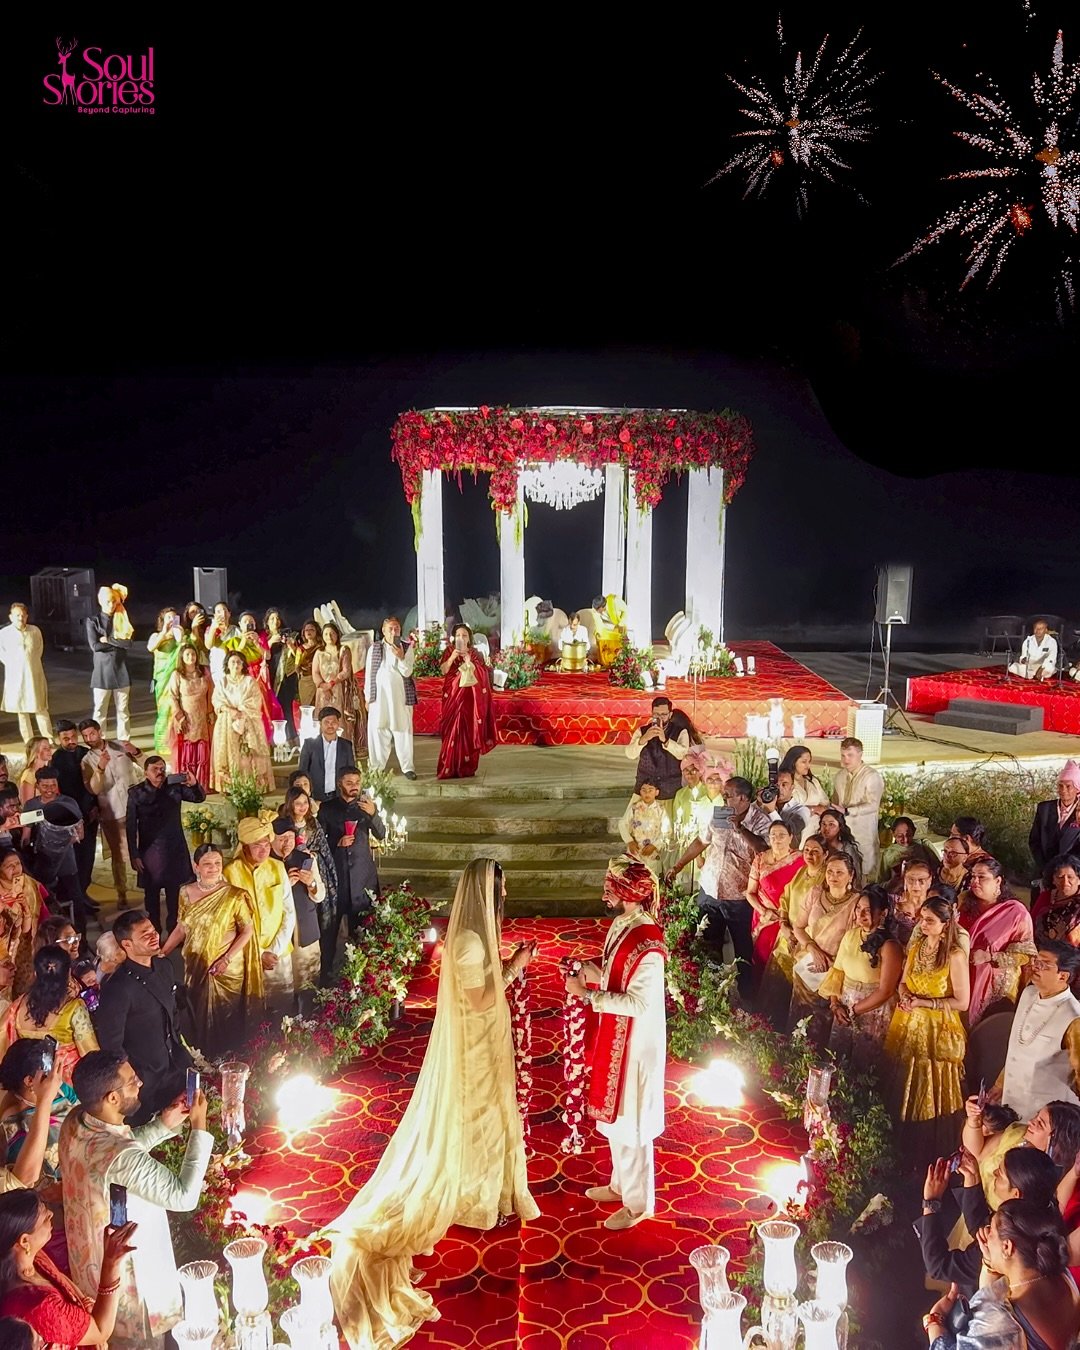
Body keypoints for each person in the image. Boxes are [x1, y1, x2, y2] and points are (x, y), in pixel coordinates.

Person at [327, 858, 538, 1348]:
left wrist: (509, 964)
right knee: (476, 1117)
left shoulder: (480, 934)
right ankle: (472, 1196)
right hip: (472, 1046)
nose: (505, 898)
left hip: (487, 1039)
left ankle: (489, 1190)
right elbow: (480, 1000)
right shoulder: (467, 941)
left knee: (491, 1115)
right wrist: (515, 967)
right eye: (500, 890)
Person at [59, 1051, 212, 1345]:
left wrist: (163, 1124)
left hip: (89, 1268)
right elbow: (183, 1196)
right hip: (130, 1285)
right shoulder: (121, 1156)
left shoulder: (76, 1121)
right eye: (132, 1082)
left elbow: (111, 1154)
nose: (140, 1083)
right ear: (112, 1098)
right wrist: (199, 1127)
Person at [564, 857, 667, 1231]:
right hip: (617, 1036)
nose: (604, 893)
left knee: (633, 1124)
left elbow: (639, 1004)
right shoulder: (624, 924)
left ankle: (639, 1205)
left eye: (610, 887)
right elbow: (614, 973)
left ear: (627, 893)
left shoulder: (648, 942)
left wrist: (588, 995)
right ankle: (620, 1185)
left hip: (637, 1047)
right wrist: (590, 971)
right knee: (617, 1118)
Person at [883, 896, 970, 1168]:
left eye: (930, 921)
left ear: (946, 924)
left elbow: (962, 1002)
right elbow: (903, 982)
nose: (923, 924)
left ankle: (924, 1155)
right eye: (922, 919)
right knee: (899, 1081)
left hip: (936, 1030)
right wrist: (905, 996)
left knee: (928, 1087)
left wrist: (925, 1003)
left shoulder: (954, 955)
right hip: (908, 1024)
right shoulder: (918, 945)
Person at [925, 1199, 1080, 1349]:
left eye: (991, 1231)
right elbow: (989, 1301)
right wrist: (989, 1262)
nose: (986, 1235)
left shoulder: (1003, 1323)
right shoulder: (1059, 1273)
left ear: (1007, 1247)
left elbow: (990, 1318)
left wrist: (935, 1321)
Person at [666, 776, 769, 998]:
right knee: (707, 944)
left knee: (744, 949)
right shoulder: (719, 814)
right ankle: (709, 994)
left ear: (743, 798)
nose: (723, 797)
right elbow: (701, 841)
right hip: (710, 890)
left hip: (739, 897)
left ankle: (748, 998)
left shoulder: (760, 820)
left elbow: (764, 849)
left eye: (728, 795)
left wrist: (740, 828)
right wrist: (678, 866)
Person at [0, 1188, 137, 1348]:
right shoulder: (39, 1307)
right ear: (24, 1241)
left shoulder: (27, 1259)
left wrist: (84, 1307)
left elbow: (60, 1279)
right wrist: (111, 1263)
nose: (51, 1214)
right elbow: (101, 1330)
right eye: (44, 1218)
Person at [917, 1147, 1063, 1296]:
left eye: (1000, 1174)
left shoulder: (1004, 1247)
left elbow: (938, 1266)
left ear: (1016, 1194)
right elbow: (981, 1228)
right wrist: (972, 1178)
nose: (994, 1173)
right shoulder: (1038, 1217)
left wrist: (931, 1202)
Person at [160, 843, 261, 1055]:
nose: (213, 868)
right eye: (207, 864)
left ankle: (230, 1060)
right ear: (195, 866)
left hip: (226, 969)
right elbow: (182, 927)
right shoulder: (185, 892)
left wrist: (226, 959)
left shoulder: (234, 895)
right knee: (198, 1016)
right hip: (196, 966)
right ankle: (205, 1061)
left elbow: (247, 931)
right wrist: (162, 953)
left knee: (227, 1018)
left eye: (217, 863)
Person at [94, 912, 192, 1124]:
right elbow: (111, 1044)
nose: (154, 936)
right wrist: (132, 1078)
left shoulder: (164, 967)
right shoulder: (118, 987)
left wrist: (179, 1047)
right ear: (127, 944)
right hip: (145, 1079)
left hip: (175, 1066)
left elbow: (173, 1012)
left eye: (153, 931)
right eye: (145, 934)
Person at [993, 940, 1080, 1123]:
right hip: (1010, 1104)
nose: (1035, 968)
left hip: (1043, 1117)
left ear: (1063, 976)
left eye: (1044, 965)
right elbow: (1018, 1050)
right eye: (1036, 962)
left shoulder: (1073, 1017)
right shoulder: (1028, 994)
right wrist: (1000, 1084)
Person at [821, 885, 903, 1071]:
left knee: (864, 1066)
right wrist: (835, 1005)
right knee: (836, 1062)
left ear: (883, 913)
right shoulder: (850, 936)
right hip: (844, 1008)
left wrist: (854, 1010)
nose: (861, 914)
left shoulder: (890, 946)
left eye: (867, 910)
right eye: (858, 908)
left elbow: (886, 991)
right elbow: (837, 973)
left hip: (873, 1011)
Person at [318, 769, 386, 984]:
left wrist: (373, 814)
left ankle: (363, 979)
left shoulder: (365, 807)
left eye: (357, 782)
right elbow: (319, 843)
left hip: (361, 878)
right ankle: (325, 976)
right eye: (349, 782)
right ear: (340, 783)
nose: (354, 786)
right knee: (329, 932)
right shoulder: (327, 808)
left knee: (362, 931)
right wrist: (336, 843)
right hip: (336, 879)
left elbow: (381, 834)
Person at [223, 817, 295, 1016]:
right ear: (244, 846)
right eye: (257, 845)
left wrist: (273, 950)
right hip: (245, 956)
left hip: (278, 953)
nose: (264, 851)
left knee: (282, 1011)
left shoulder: (277, 867)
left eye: (266, 844)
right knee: (251, 1012)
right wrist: (258, 953)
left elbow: (289, 912)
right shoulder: (229, 873)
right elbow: (228, 924)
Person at [0, 947, 98, 1088]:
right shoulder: (74, 1008)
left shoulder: (17, 1006)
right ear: (68, 973)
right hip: (66, 1088)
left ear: (35, 973)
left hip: (29, 1085)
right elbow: (90, 1054)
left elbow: (4, 1043)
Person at [125, 758, 203, 934]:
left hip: (173, 849)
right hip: (149, 852)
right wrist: (134, 854)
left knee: (174, 895)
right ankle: (154, 932)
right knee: (151, 897)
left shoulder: (174, 787)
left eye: (162, 768)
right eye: (155, 769)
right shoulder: (136, 793)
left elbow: (198, 798)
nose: (160, 772)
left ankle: (173, 932)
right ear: (145, 772)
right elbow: (130, 826)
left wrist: (194, 784)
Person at [758, 835, 828, 1028]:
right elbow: (785, 898)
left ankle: (795, 1035)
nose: (810, 855)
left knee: (803, 996)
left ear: (825, 854)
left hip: (809, 944)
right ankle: (768, 1029)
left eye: (815, 851)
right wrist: (783, 924)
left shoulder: (827, 879)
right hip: (787, 935)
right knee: (777, 986)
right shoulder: (801, 872)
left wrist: (800, 936)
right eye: (806, 850)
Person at [788, 851, 860, 1035]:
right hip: (807, 964)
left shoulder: (856, 903)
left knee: (821, 1023)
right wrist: (813, 949)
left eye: (839, 872)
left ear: (851, 875)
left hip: (834, 971)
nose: (833, 876)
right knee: (799, 1020)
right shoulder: (815, 893)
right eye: (830, 871)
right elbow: (798, 927)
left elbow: (854, 942)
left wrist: (831, 963)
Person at [961, 857, 1036, 1027]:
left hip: (995, 984)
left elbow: (1025, 955)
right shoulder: (963, 903)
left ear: (998, 881)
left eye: (982, 877)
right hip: (962, 976)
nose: (975, 881)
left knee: (990, 1029)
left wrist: (989, 956)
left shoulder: (1016, 912)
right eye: (973, 876)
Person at [80, 720, 141, 910]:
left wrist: (137, 752)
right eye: (85, 736)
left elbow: (145, 763)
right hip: (112, 812)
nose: (89, 739)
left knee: (144, 849)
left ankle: (149, 886)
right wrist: (100, 768)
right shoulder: (86, 761)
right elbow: (94, 789)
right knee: (119, 855)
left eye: (92, 734)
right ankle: (122, 893)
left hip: (135, 807)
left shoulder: (120, 746)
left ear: (100, 732)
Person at [23, 771, 90, 933]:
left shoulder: (68, 803)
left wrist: (61, 842)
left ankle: (81, 936)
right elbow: (26, 835)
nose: (49, 789)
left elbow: (80, 833)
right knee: (43, 901)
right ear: (37, 785)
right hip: (43, 861)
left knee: (76, 899)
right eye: (45, 785)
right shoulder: (31, 805)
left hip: (67, 861)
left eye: (53, 785)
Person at [0, 1040, 74, 1186]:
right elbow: (26, 1179)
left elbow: (80, 1106)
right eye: (50, 1071)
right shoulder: (15, 1128)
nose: (56, 1077)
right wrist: (44, 1101)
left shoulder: (56, 1086)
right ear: (30, 1081)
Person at [269, 819, 325, 1006]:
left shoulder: (305, 859)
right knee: (280, 989)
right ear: (271, 839)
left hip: (304, 930)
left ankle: (308, 1018)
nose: (287, 843)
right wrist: (286, 885)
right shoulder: (266, 863)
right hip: (276, 935)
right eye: (281, 839)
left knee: (307, 983)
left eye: (290, 838)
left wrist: (311, 883)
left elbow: (320, 896)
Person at [437, 624, 497, 780]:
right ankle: (448, 767)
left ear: (469, 638)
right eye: (458, 635)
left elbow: (483, 674)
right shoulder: (449, 651)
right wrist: (452, 658)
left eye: (464, 635)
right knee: (451, 730)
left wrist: (470, 662)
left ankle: (466, 768)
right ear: (454, 638)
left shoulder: (475, 653)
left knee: (469, 730)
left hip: (470, 700)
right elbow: (443, 670)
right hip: (452, 696)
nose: (461, 638)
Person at [209, 651, 274, 794]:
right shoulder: (222, 682)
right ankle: (231, 786)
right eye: (232, 662)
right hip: (226, 722)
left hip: (247, 719)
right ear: (227, 664)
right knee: (230, 753)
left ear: (243, 664)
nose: (236, 665)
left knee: (247, 753)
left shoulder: (249, 681)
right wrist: (230, 710)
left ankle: (251, 786)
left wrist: (241, 711)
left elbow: (255, 700)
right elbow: (217, 700)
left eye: (238, 662)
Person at [745, 820, 804, 974]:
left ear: (791, 837)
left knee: (786, 963)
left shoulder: (801, 859)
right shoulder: (760, 860)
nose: (777, 839)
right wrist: (764, 911)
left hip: (792, 920)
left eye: (782, 835)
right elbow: (750, 893)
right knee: (761, 961)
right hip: (766, 919)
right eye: (773, 836)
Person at [364, 616, 419, 780]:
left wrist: (401, 657)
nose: (394, 632)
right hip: (379, 698)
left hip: (400, 698)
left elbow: (407, 672)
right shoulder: (374, 648)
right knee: (378, 731)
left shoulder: (407, 647)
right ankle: (376, 768)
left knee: (403, 731)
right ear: (383, 631)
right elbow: (369, 675)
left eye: (396, 629)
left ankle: (408, 768)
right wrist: (368, 698)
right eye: (390, 629)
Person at [279, 784, 338, 928]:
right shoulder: (284, 824)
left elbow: (323, 848)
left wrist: (312, 855)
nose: (303, 807)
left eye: (305, 802)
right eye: (298, 803)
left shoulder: (313, 823)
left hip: (313, 868)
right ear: (290, 804)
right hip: (290, 868)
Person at [49, 722, 97, 898]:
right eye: (66, 738)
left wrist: (95, 805)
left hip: (90, 813)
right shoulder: (57, 759)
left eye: (73, 737)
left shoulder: (85, 753)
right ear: (59, 739)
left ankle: (84, 893)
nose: (71, 741)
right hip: (71, 816)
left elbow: (94, 783)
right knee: (75, 858)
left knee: (88, 856)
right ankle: (76, 897)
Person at [624, 697, 700, 804]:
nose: (660, 718)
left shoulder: (680, 731)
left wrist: (665, 741)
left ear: (670, 714)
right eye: (656, 714)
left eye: (664, 714)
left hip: (670, 790)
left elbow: (682, 754)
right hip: (645, 789)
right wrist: (643, 739)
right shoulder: (642, 731)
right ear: (652, 714)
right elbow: (630, 754)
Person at [830, 736, 884, 881]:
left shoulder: (871, 776)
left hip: (863, 835)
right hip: (843, 835)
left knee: (865, 874)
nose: (845, 759)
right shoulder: (839, 776)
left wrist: (849, 811)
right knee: (845, 872)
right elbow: (836, 801)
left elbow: (873, 805)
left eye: (850, 755)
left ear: (860, 754)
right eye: (843, 755)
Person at [86, 585, 133, 742]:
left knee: (123, 710)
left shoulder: (122, 618)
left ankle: (124, 741)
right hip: (102, 672)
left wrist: (109, 640)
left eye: (114, 601)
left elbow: (128, 643)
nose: (111, 605)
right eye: (108, 601)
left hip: (121, 671)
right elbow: (95, 646)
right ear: (100, 601)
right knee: (100, 711)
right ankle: (98, 741)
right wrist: (118, 643)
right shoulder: (93, 621)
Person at [0, 606, 52, 744]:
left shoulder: (34, 631)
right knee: (21, 710)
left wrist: (30, 663)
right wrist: (14, 665)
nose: (20, 618)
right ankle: (29, 740)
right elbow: (2, 653)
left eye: (23, 615)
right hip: (16, 676)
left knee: (40, 707)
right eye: (17, 615)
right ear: (11, 617)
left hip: (34, 674)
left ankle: (48, 738)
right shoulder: (4, 633)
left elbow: (39, 649)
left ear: (27, 616)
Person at [166, 641, 214, 790]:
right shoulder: (177, 674)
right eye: (187, 654)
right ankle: (186, 783)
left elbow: (211, 693)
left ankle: (202, 783)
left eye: (193, 654)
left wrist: (211, 712)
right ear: (182, 657)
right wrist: (180, 717)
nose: (191, 657)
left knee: (203, 748)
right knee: (187, 750)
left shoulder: (204, 672)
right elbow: (172, 696)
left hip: (202, 717)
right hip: (186, 717)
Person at [0, 854, 41, 999]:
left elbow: (26, 930)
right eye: (9, 866)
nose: (16, 869)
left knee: (22, 994)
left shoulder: (28, 885)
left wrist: (26, 909)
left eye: (18, 864)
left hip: (22, 950)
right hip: (2, 954)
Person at [297, 707, 357, 805]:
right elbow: (302, 772)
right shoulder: (310, 745)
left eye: (333, 722)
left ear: (338, 723)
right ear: (320, 724)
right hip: (316, 797)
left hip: (339, 796)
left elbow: (351, 772)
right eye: (326, 722)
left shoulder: (346, 745)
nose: (330, 725)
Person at [1030, 762, 1080, 876]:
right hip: (1045, 871)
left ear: (1077, 789)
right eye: (1060, 786)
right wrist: (1045, 867)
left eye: (1068, 786)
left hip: (1073, 873)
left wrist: (1069, 869)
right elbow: (1034, 840)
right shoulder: (1044, 808)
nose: (1063, 790)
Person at [145, 608, 183, 756]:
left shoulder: (179, 634)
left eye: (174, 617)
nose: (171, 620)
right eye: (168, 618)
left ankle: (176, 741)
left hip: (176, 678)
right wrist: (164, 633)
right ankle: (162, 743)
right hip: (161, 679)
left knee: (175, 709)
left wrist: (177, 631)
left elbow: (181, 643)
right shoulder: (156, 636)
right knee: (164, 710)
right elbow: (151, 647)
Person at [313, 622, 356, 744]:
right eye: (326, 634)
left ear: (337, 635)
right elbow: (315, 672)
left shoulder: (343, 650)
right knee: (323, 717)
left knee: (339, 719)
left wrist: (331, 683)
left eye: (332, 633)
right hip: (322, 692)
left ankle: (341, 747)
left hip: (339, 689)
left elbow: (346, 671)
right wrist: (323, 686)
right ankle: (323, 747)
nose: (329, 637)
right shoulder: (319, 652)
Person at [617, 780, 669, 875]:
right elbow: (622, 824)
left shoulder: (661, 810)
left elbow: (667, 831)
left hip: (653, 853)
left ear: (656, 792)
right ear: (640, 792)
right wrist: (630, 841)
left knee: (652, 878)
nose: (647, 793)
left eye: (650, 790)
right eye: (644, 790)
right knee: (636, 878)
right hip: (636, 851)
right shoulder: (634, 808)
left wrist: (655, 845)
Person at [263, 608, 299, 744]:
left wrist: (290, 645)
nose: (275, 621)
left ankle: (291, 739)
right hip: (269, 676)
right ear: (267, 622)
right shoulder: (264, 638)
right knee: (271, 707)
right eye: (272, 619)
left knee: (286, 707)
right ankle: (273, 741)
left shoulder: (289, 636)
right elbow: (260, 655)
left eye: (277, 618)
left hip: (285, 677)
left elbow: (298, 656)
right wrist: (271, 642)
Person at [778, 745, 830, 836]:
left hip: (816, 832)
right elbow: (782, 807)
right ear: (793, 762)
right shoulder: (784, 783)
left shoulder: (812, 781)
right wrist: (811, 809)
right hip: (795, 832)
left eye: (809, 762)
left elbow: (825, 803)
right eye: (804, 762)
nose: (808, 765)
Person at [1032, 858, 1080, 953]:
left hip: (1072, 957)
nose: (1065, 882)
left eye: (1070, 877)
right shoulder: (1046, 897)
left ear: (1079, 880)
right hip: (1039, 952)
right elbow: (1030, 924)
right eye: (1060, 877)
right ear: (1053, 880)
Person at [877, 816, 936, 886]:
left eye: (908, 835)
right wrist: (893, 882)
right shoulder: (888, 853)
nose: (905, 839)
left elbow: (938, 870)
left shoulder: (924, 845)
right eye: (900, 836)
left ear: (914, 832)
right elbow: (880, 883)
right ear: (893, 833)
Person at [817, 808, 864, 886]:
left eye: (831, 824)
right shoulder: (816, 845)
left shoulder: (847, 849)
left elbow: (857, 876)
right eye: (823, 824)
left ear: (839, 827)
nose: (826, 828)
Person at [204, 601, 239, 685]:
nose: (223, 614)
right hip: (218, 667)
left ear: (229, 614)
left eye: (225, 610)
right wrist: (213, 628)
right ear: (215, 615)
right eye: (219, 611)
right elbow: (208, 645)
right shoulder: (211, 629)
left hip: (234, 667)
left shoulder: (236, 629)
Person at [591, 594, 627, 669]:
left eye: (598, 609)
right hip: (606, 626)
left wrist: (621, 624)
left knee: (618, 644)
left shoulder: (615, 602)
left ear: (602, 607)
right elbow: (598, 622)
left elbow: (625, 611)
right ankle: (604, 662)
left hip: (618, 625)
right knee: (600, 637)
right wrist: (599, 632)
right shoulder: (595, 609)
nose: (596, 611)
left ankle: (617, 663)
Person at [16, 743, 50, 812]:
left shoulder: (49, 771)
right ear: (36, 752)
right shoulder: (29, 774)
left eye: (49, 747)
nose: (50, 750)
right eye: (45, 748)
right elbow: (27, 806)